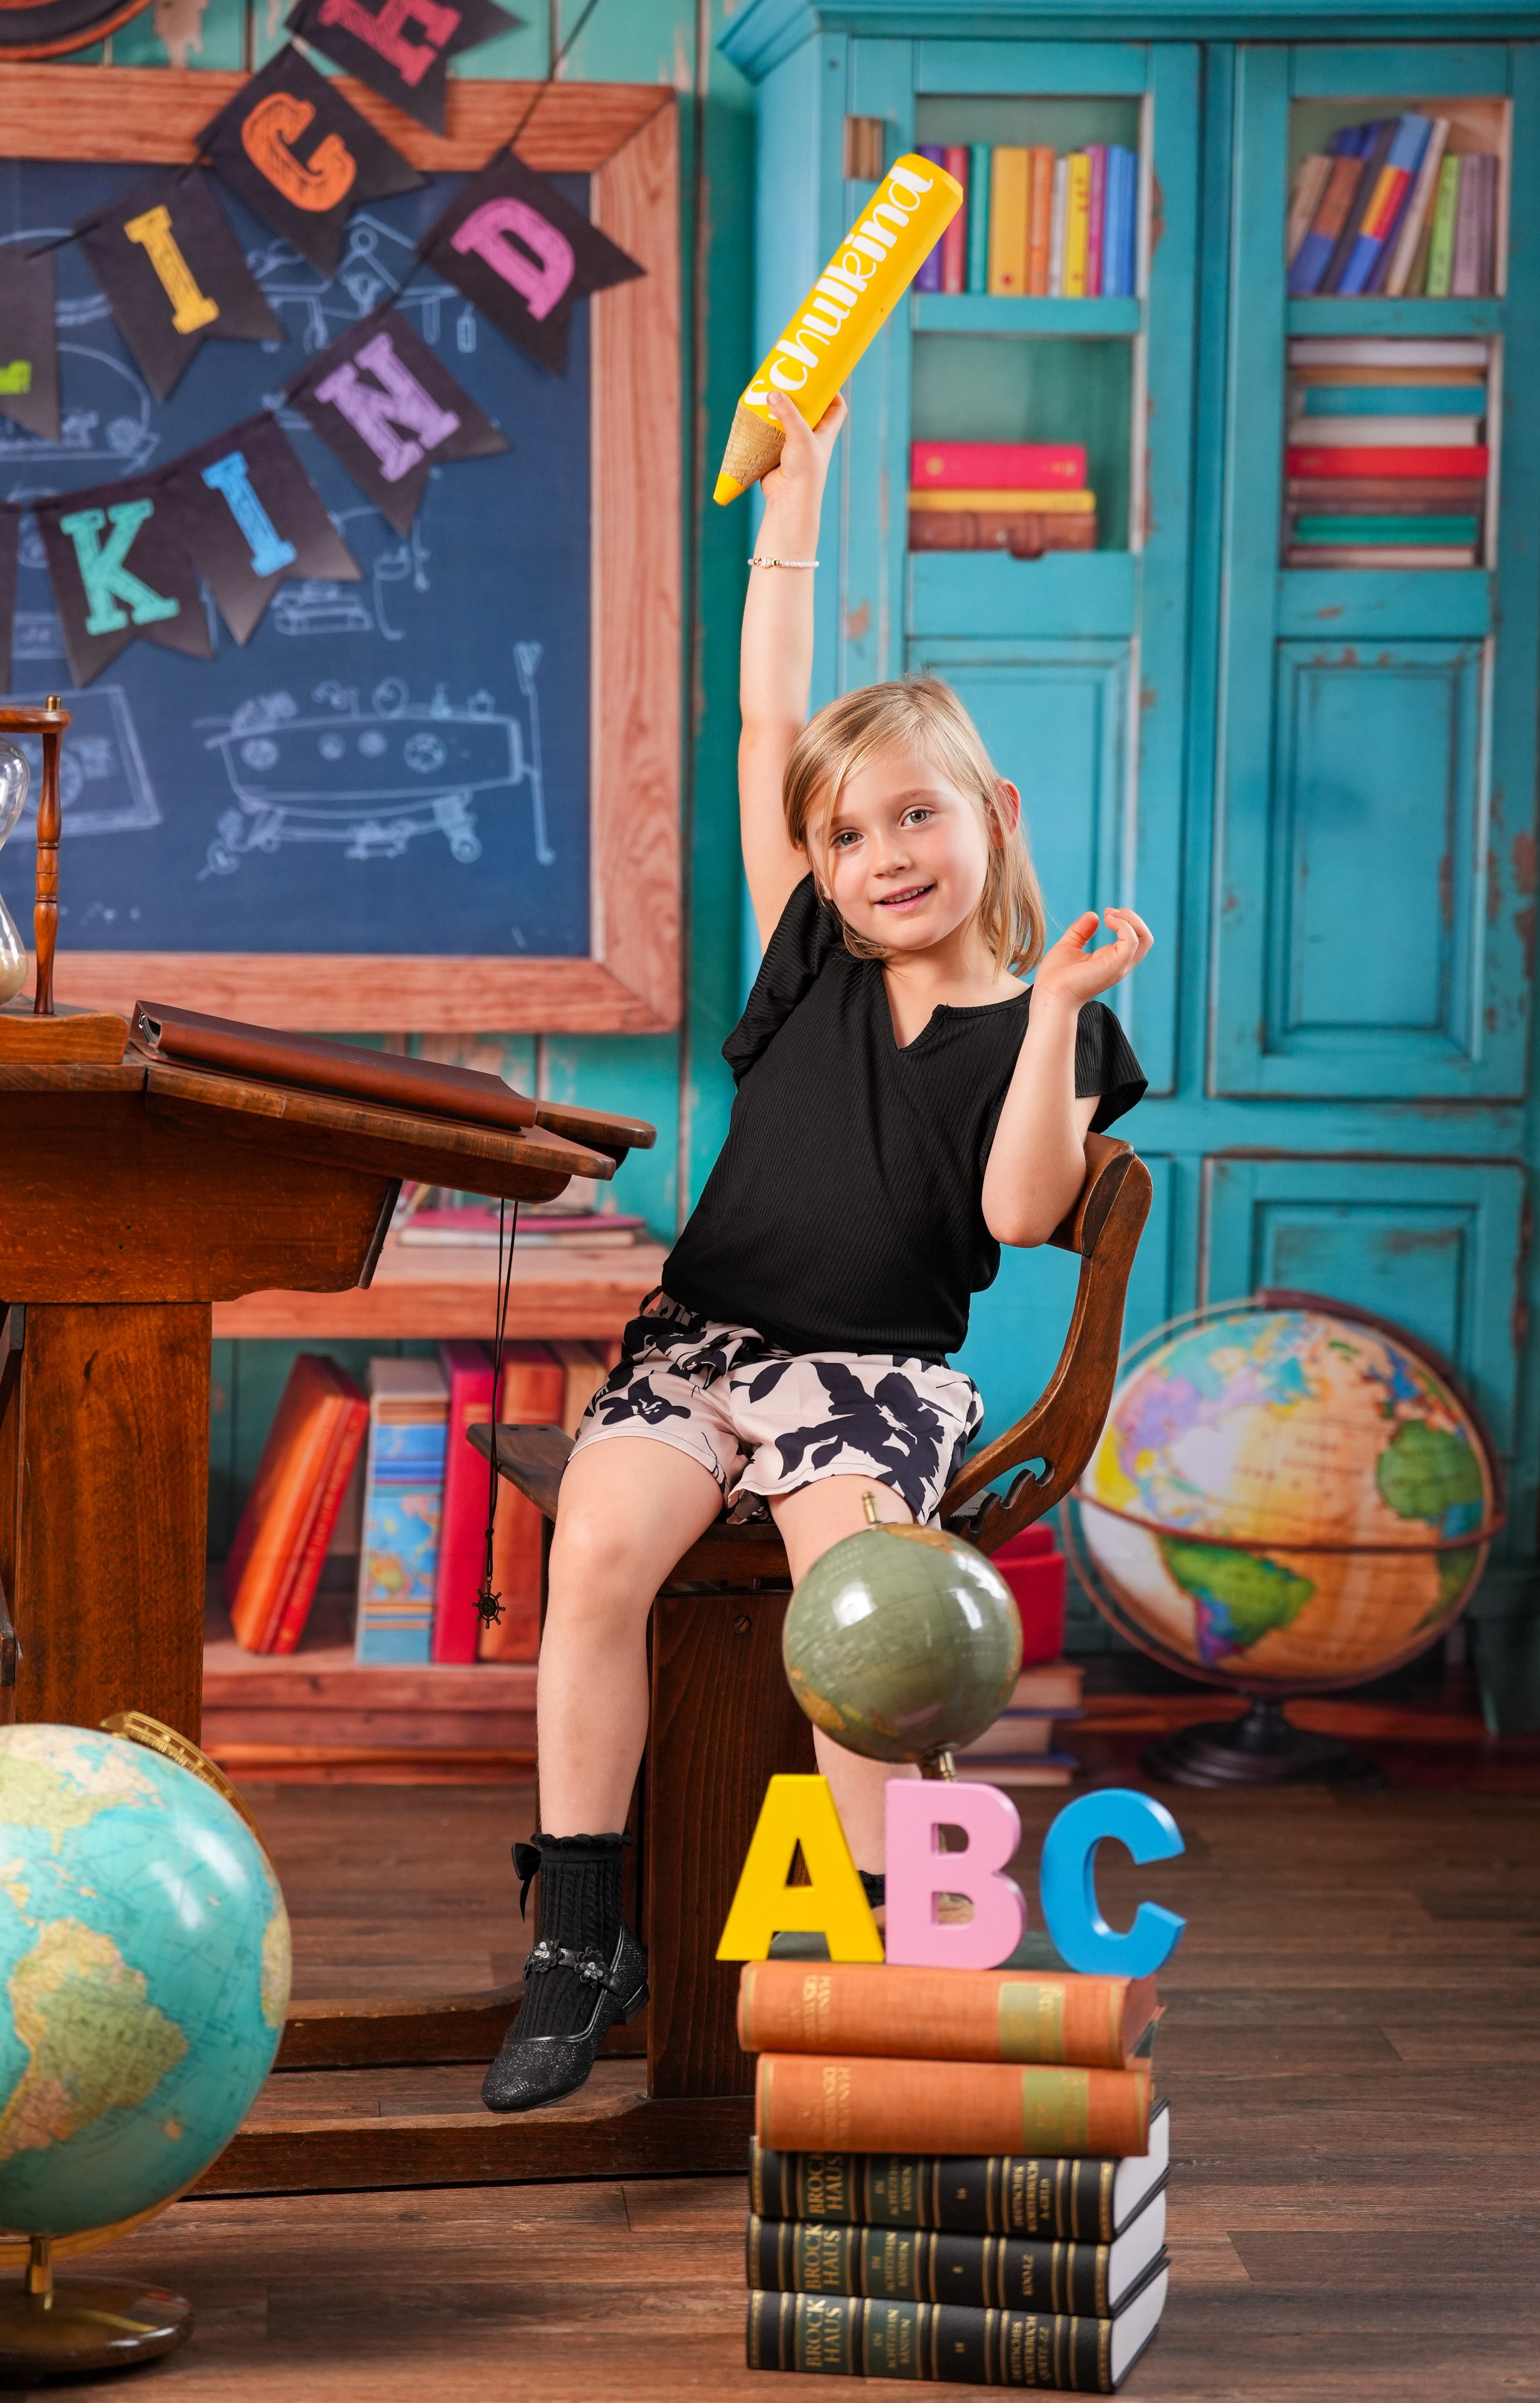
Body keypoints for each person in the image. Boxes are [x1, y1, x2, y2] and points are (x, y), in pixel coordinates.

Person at [482, 390, 1152, 2112]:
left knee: (864, 1620)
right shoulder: (814, 959)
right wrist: (804, 491)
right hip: (704, 1341)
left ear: (992, 810)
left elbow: (1016, 1214)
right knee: (604, 1548)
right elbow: (772, 702)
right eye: (847, 838)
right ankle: (582, 1922)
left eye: (912, 818)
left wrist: (1062, 1007)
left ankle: (890, 1952)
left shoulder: (1051, 1023)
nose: (878, 857)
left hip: (879, 1376)